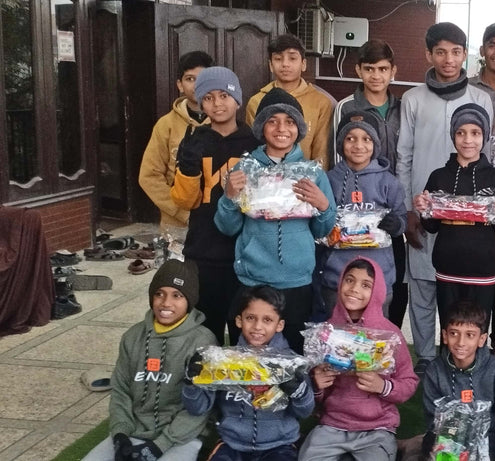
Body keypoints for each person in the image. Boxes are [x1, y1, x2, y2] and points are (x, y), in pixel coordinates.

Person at [397, 22, 494, 374]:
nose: (448, 59)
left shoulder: (480, 99)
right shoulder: (412, 98)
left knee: (464, 294)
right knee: (422, 287)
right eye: (441, 51)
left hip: (468, 222)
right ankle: (425, 357)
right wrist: (409, 209)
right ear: (428, 54)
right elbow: (404, 157)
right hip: (424, 210)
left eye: (456, 51)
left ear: (465, 54)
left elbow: (490, 155)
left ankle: (467, 355)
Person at [214, 88, 337, 353]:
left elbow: (322, 229)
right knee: (250, 354)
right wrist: (229, 197)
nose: (282, 128)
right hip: (253, 279)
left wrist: (323, 205)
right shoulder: (245, 169)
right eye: (272, 120)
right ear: (261, 128)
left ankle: (296, 396)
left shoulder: (312, 173)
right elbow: (227, 227)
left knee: (293, 353)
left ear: (299, 129)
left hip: (297, 281)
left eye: (290, 122)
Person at [83, 260, 216, 461]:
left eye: (177, 295)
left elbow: (200, 409)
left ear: (189, 300)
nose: (166, 303)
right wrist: (120, 436)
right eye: (159, 294)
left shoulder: (203, 341)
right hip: (132, 433)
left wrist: (158, 447)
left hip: (181, 438)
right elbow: (120, 391)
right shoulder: (132, 336)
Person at [171, 66, 260, 346]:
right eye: (208, 97)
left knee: (243, 332)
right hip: (203, 252)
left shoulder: (255, 144)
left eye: (224, 95)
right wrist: (187, 168)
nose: (217, 103)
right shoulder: (195, 141)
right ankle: (204, 389)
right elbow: (183, 200)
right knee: (204, 333)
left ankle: (238, 389)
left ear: (237, 99)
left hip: (243, 255)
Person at [301, 258, 420, 460]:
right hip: (333, 425)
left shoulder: (389, 335)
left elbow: (409, 382)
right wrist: (317, 384)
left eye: (366, 285)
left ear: (377, 292)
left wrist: (382, 386)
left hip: (377, 428)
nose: (354, 289)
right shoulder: (327, 332)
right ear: (340, 284)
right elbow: (316, 395)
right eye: (349, 280)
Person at [181, 285, 314, 460]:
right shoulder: (222, 361)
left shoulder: (289, 362)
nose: (257, 326)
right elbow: (197, 408)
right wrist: (192, 382)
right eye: (250, 318)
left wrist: (300, 391)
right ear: (238, 320)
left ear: (279, 325)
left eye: (267, 320)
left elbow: (305, 412)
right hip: (231, 445)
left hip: (279, 445)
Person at [331, 39, 409, 328]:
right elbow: (335, 154)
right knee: (349, 274)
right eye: (369, 69)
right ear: (358, 70)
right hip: (352, 205)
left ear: (393, 71)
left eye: (383, 69)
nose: (376, 76)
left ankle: (390, 333)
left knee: (392, 277)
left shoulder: (403, 107)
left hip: (390, 201)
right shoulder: (345, 107)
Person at [413, 104, 495, 330]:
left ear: (484, 136)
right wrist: (423, 208)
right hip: (448, 266)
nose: (468, 140)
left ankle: (479, 366)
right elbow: (431, 227)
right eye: (461, 133)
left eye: (475, 133)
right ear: (453, 136)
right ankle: (446, 365)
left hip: (484, 268)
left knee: (478, 330)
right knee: (450, 329)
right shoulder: (439, 176)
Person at [320, 111, 407, 317]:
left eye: (366, 139)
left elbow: (402, 218)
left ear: (375, 144)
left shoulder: (388, 182)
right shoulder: (328, 180)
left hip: (377, 278)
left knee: (374, 336)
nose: (358, 146)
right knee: (336, 335)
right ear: (341, 144)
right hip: (337, 276)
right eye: (350, 139)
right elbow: (320, 223)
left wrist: (396, 225)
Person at [421, 300, 495, 461]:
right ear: (445, 336)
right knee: (429, 444)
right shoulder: (435, 371)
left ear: (482, 340)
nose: (461, 342)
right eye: (454, 333)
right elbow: (433, 417)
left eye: (470, 335)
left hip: (488, 437)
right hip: (450, 438)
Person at [139, 50, 213, 229]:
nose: (197, 85)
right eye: (190, 79)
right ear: (180, 84)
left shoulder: (225, 124)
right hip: (177, 225)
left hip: (216, 223)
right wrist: (181, 213)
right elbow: (149, 176)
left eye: (203, 79)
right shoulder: (166, 125)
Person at [245, 34, 333, 169]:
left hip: (304, 181)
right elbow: (253, 148)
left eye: (292, 58)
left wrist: (315, 181)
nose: (285, 64)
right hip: (265, 182)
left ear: (303, 64)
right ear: (271, 65)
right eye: (278, 59)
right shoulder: (256, 101)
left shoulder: (320, 102)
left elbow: (322, 153)